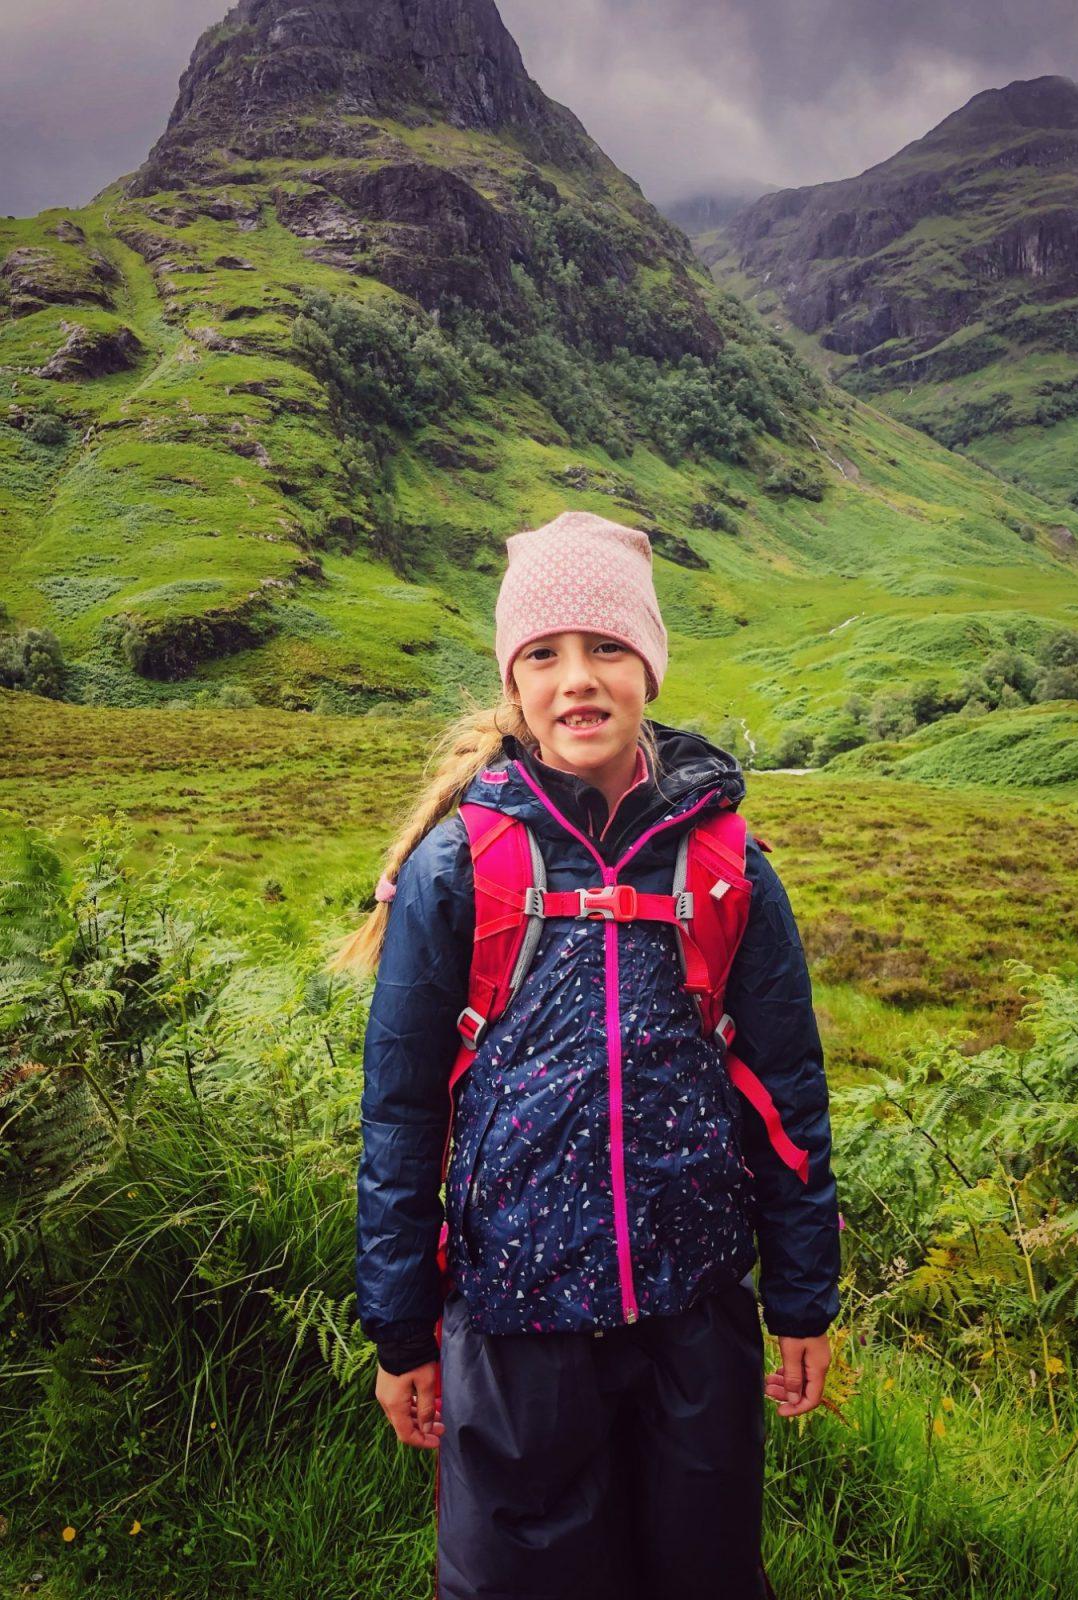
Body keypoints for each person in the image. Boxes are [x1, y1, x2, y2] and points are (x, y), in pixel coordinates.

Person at [331, 510, 841, 1600]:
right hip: (513, 1324)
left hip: (694, 1320)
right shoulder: (458, 867)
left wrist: (802, 1301)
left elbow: (787, 1094)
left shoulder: (727, 864)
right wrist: (401, 1327)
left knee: (702, 1577)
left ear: (649, 664)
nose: (578, 679)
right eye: (544, 654)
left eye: (607, 646)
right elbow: (402, 1114)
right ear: (512, 681)